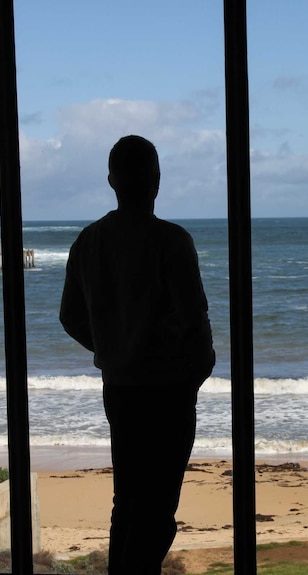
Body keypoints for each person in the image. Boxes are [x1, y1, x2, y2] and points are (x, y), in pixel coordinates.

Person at [60, 135, 215, 575]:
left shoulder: (89, 241)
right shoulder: (172, 241)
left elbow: (70, 317)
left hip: (121, 388)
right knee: (158, 505)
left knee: (127, 500)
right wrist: (196, 371)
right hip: (168, 390)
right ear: (157, 180)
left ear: (111, 180)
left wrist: (112, 348)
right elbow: (193, 320)